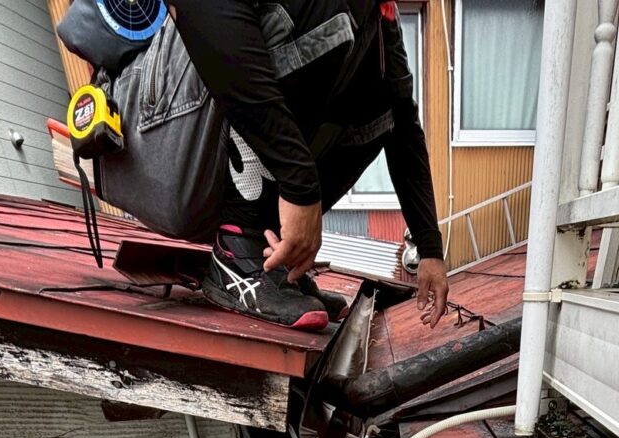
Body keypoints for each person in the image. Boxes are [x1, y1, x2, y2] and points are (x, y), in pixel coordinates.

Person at [168, 0, 449, 332]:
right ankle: (238, 248)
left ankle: (272, 252)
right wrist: (300, 187)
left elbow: (403, 124)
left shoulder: (380, 15)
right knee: (331, 15)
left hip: (222, 132)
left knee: (383, 99)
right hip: (173, 120)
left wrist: (429, 247)